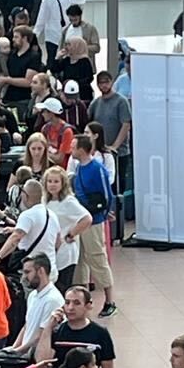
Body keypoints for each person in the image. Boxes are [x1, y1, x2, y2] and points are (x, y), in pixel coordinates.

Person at [35, 286, 115, 368]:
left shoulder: (100, 334)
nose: (70, 308)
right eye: (67, 303)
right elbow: (41, 362)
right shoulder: (57, 332)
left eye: (76, 303)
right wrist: (48, 327)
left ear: (88, 305)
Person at [70, 134, 116, 317]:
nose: (71, 150)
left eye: (73, 147)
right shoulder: (80, 168)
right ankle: (81, 298)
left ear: (82, 149)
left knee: (97, 258)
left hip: (93, 220)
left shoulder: (97, 168)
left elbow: (107, 195)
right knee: (80, 259)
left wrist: (103, 214)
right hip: (82, 219)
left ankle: (110, 300)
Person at [0, 179, 61, 282]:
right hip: (50, 270)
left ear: (25, 195)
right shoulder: (52, 215)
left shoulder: (27, 215)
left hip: (32, 272)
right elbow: (58, 242)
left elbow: (16, 238)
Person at [42, 165, 91, 293]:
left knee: (63, 286)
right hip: (49, 250)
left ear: (63, 183)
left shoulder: (69, 201)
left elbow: (86, 218)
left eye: (56, 181)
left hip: (65, 251)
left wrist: (71, 234)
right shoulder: (44, 201)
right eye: (50, 181)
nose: (52, 185)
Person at [0, 26, 43, 110]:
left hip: (23, 99)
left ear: (24, 38)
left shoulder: (33, 56)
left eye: (16, 37)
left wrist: (7, 80)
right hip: (7, 98)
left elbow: (28, 81)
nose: (13, 39)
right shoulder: (12, 54)